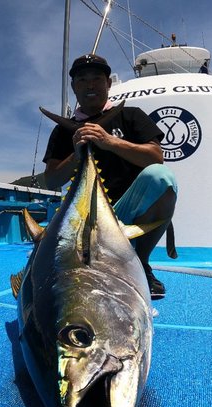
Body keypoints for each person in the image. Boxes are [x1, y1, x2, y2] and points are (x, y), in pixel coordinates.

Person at [35, 54, 177, 298]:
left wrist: (110, 142)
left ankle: (141, 263)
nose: (90, 85)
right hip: (79, 219)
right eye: (82, 80)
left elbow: (156, 157)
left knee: (161, 177)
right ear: (74, 87)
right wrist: (77, 155)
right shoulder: (62, 132)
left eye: (97, 79)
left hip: (124, 214)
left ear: (108, 83)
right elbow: (52, 180)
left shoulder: (130, 115)